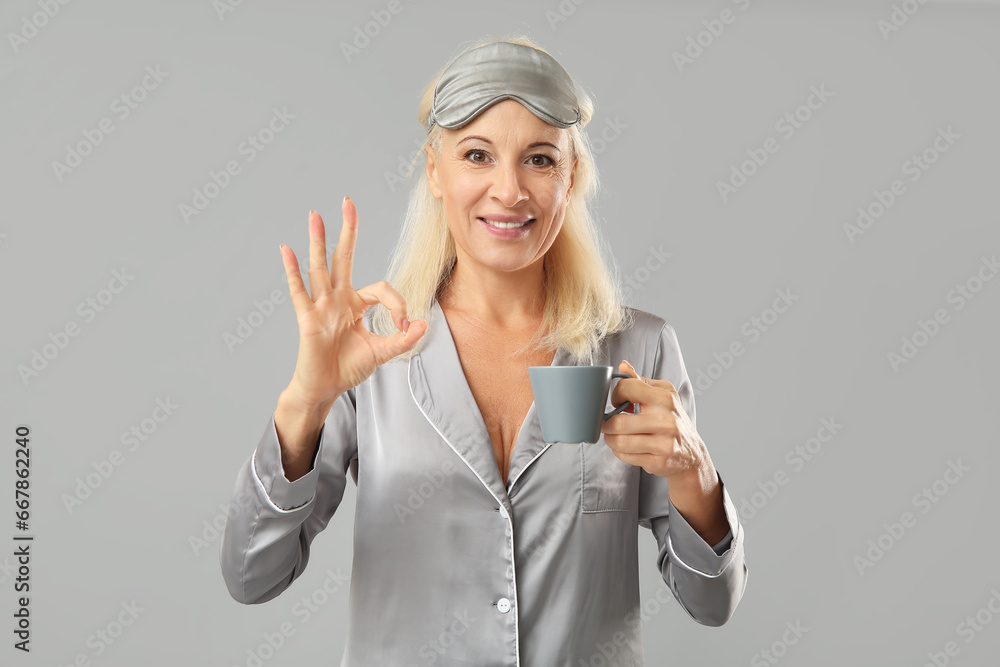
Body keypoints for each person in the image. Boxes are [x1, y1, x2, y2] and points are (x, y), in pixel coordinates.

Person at [220, 35, 748, 665]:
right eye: (477, 154)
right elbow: (252, 576)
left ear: (572, 175)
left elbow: (711, 604)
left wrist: (697, 477)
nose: (508, 191)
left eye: (540, 160)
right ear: (435, 171)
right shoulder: (373, 349)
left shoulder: (641, 348)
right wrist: (304, 403)